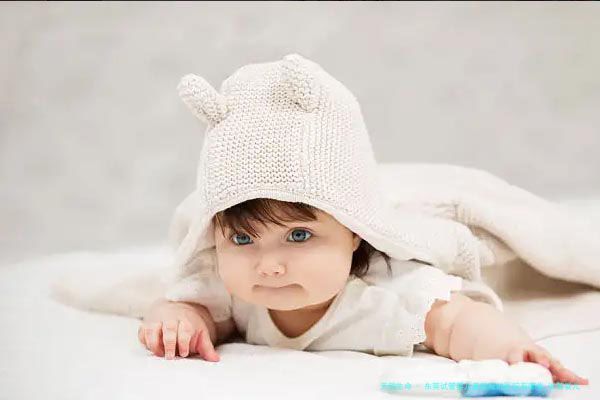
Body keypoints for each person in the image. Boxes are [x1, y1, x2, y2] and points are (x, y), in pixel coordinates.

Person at [138, 53, 587, 385]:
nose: (269, 265)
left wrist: (511, 350)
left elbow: (456, 322)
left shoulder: (390, 288)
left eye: (299, 235)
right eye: (241, 239)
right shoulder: (232, 289)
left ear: (354, 231)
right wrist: (178, 320)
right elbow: (195, 305)